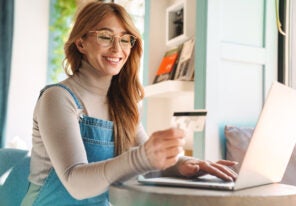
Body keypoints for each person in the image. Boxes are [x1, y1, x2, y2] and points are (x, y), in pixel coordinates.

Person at [21, 2, 237, 205]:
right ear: (81, 43)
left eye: (125, 39)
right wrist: (144, 156)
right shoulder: (58, 98)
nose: (117, 48)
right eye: (106, 37)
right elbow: (76, 183)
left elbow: (147, 158)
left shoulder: (122, 103)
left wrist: (187, 165)